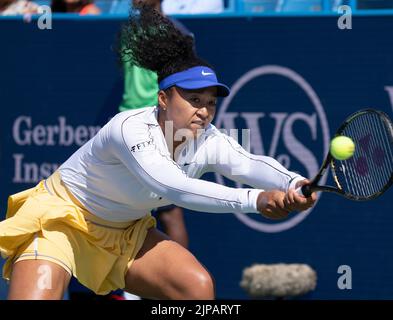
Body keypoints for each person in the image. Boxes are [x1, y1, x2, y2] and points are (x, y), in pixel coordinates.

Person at [0, 4, 316, 300]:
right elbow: (171, 187)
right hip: (62, 221)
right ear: (163, 99)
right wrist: (256, 200)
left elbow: (247, 164)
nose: (204, 111)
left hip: (125, 234)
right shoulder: (129, 128)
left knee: (196, 288)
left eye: (210, 102)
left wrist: (293, 182)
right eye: (194, 99)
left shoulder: (208, 138)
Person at [119, 0, 190, 249]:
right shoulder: (130, 30)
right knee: (124, 208)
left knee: (168, 210)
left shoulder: (177, 34)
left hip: (156, 126)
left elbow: (180, 89)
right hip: (126, 125)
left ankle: (180, 283)